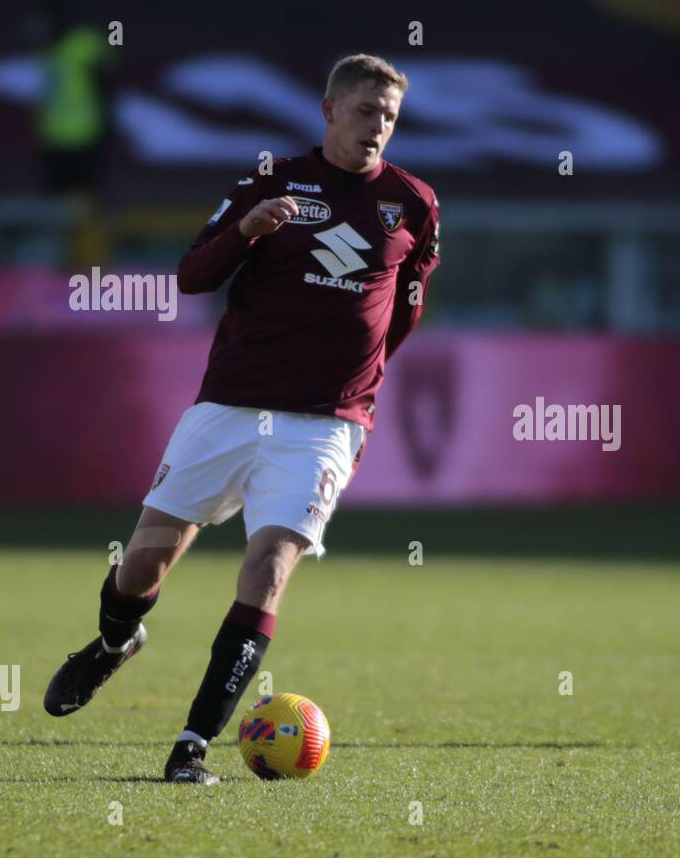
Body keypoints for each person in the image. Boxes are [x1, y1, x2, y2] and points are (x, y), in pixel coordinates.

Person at [43, 54, 440, 784]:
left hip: (325, 421)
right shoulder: (272, 181)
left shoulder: (413, 203)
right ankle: (112, 645)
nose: (377, 126)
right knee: (143, 564)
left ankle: (191, 745)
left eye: (389, 115)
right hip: (229, 404)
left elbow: (406, 309)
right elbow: (193, 276)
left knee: (267, 569)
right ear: (328, 110)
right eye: (364, 111)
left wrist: (357, 385)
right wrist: (247, 232)